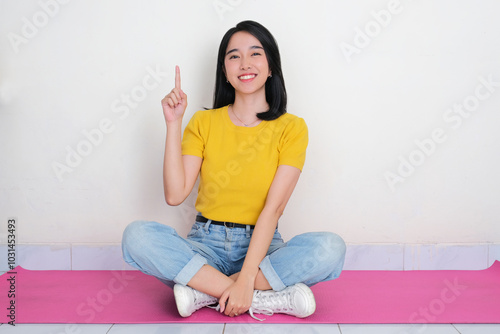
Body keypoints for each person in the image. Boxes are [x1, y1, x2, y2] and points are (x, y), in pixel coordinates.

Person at [122, 20, 346, 321]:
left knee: (330, 248)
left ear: (271, 68)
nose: (244, 63)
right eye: (233, 56)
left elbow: (273, 208)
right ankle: (263, 298)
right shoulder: (204, 123)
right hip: (205, 245)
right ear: (225, 71)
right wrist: (173, 123)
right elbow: (175, 195)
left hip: (264, 247)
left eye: (255, 53)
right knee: (136, 237)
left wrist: (247, 274)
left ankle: (206, 292)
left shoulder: (291, 128)